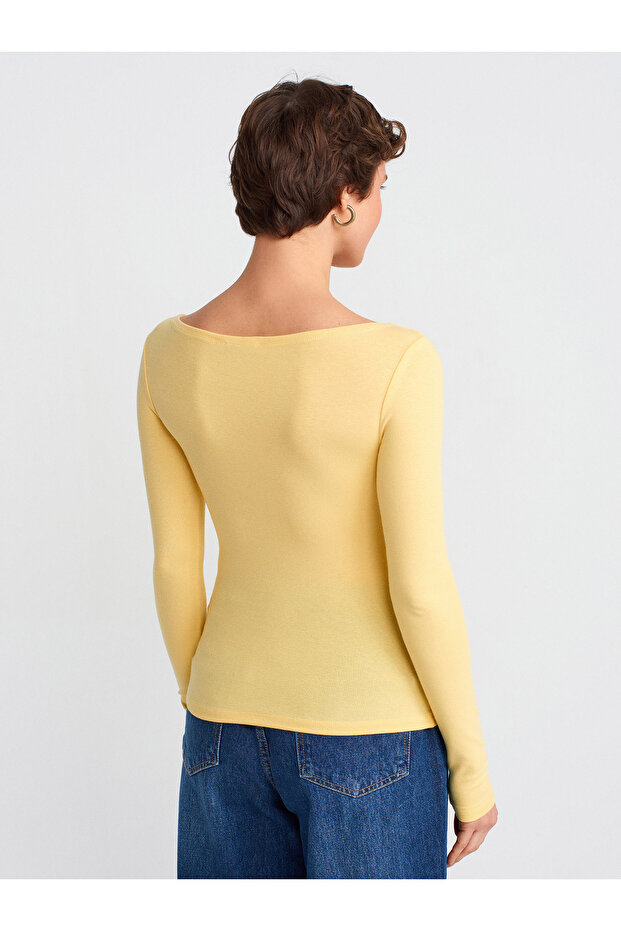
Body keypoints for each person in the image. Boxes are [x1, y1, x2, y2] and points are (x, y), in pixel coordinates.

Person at [136, 76, 498, 880]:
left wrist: (211, 700)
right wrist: (470, 768)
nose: (378, 208)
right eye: (379, 189)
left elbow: (173, 566)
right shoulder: (397, 361)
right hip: (370, 733)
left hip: (220, 726)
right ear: (342, 199)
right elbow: (419, 586)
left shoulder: (168, 353)